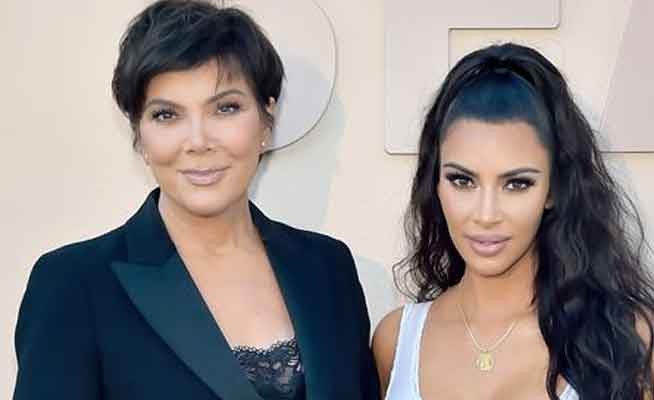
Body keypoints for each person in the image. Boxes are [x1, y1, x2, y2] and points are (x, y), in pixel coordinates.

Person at [13, 1, 379, 399]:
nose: (198, 141)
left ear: (266, 120)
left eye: (225, 108)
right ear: (139, 133)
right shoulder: (73, 284)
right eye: (166, 115)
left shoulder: (329, 269)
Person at [372, 43, 654, 399]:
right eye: (462, 180)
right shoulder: (396, 342)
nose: (485, 214)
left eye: (517, 184)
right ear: (435, 182)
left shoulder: (628, 340)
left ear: (554, 189)